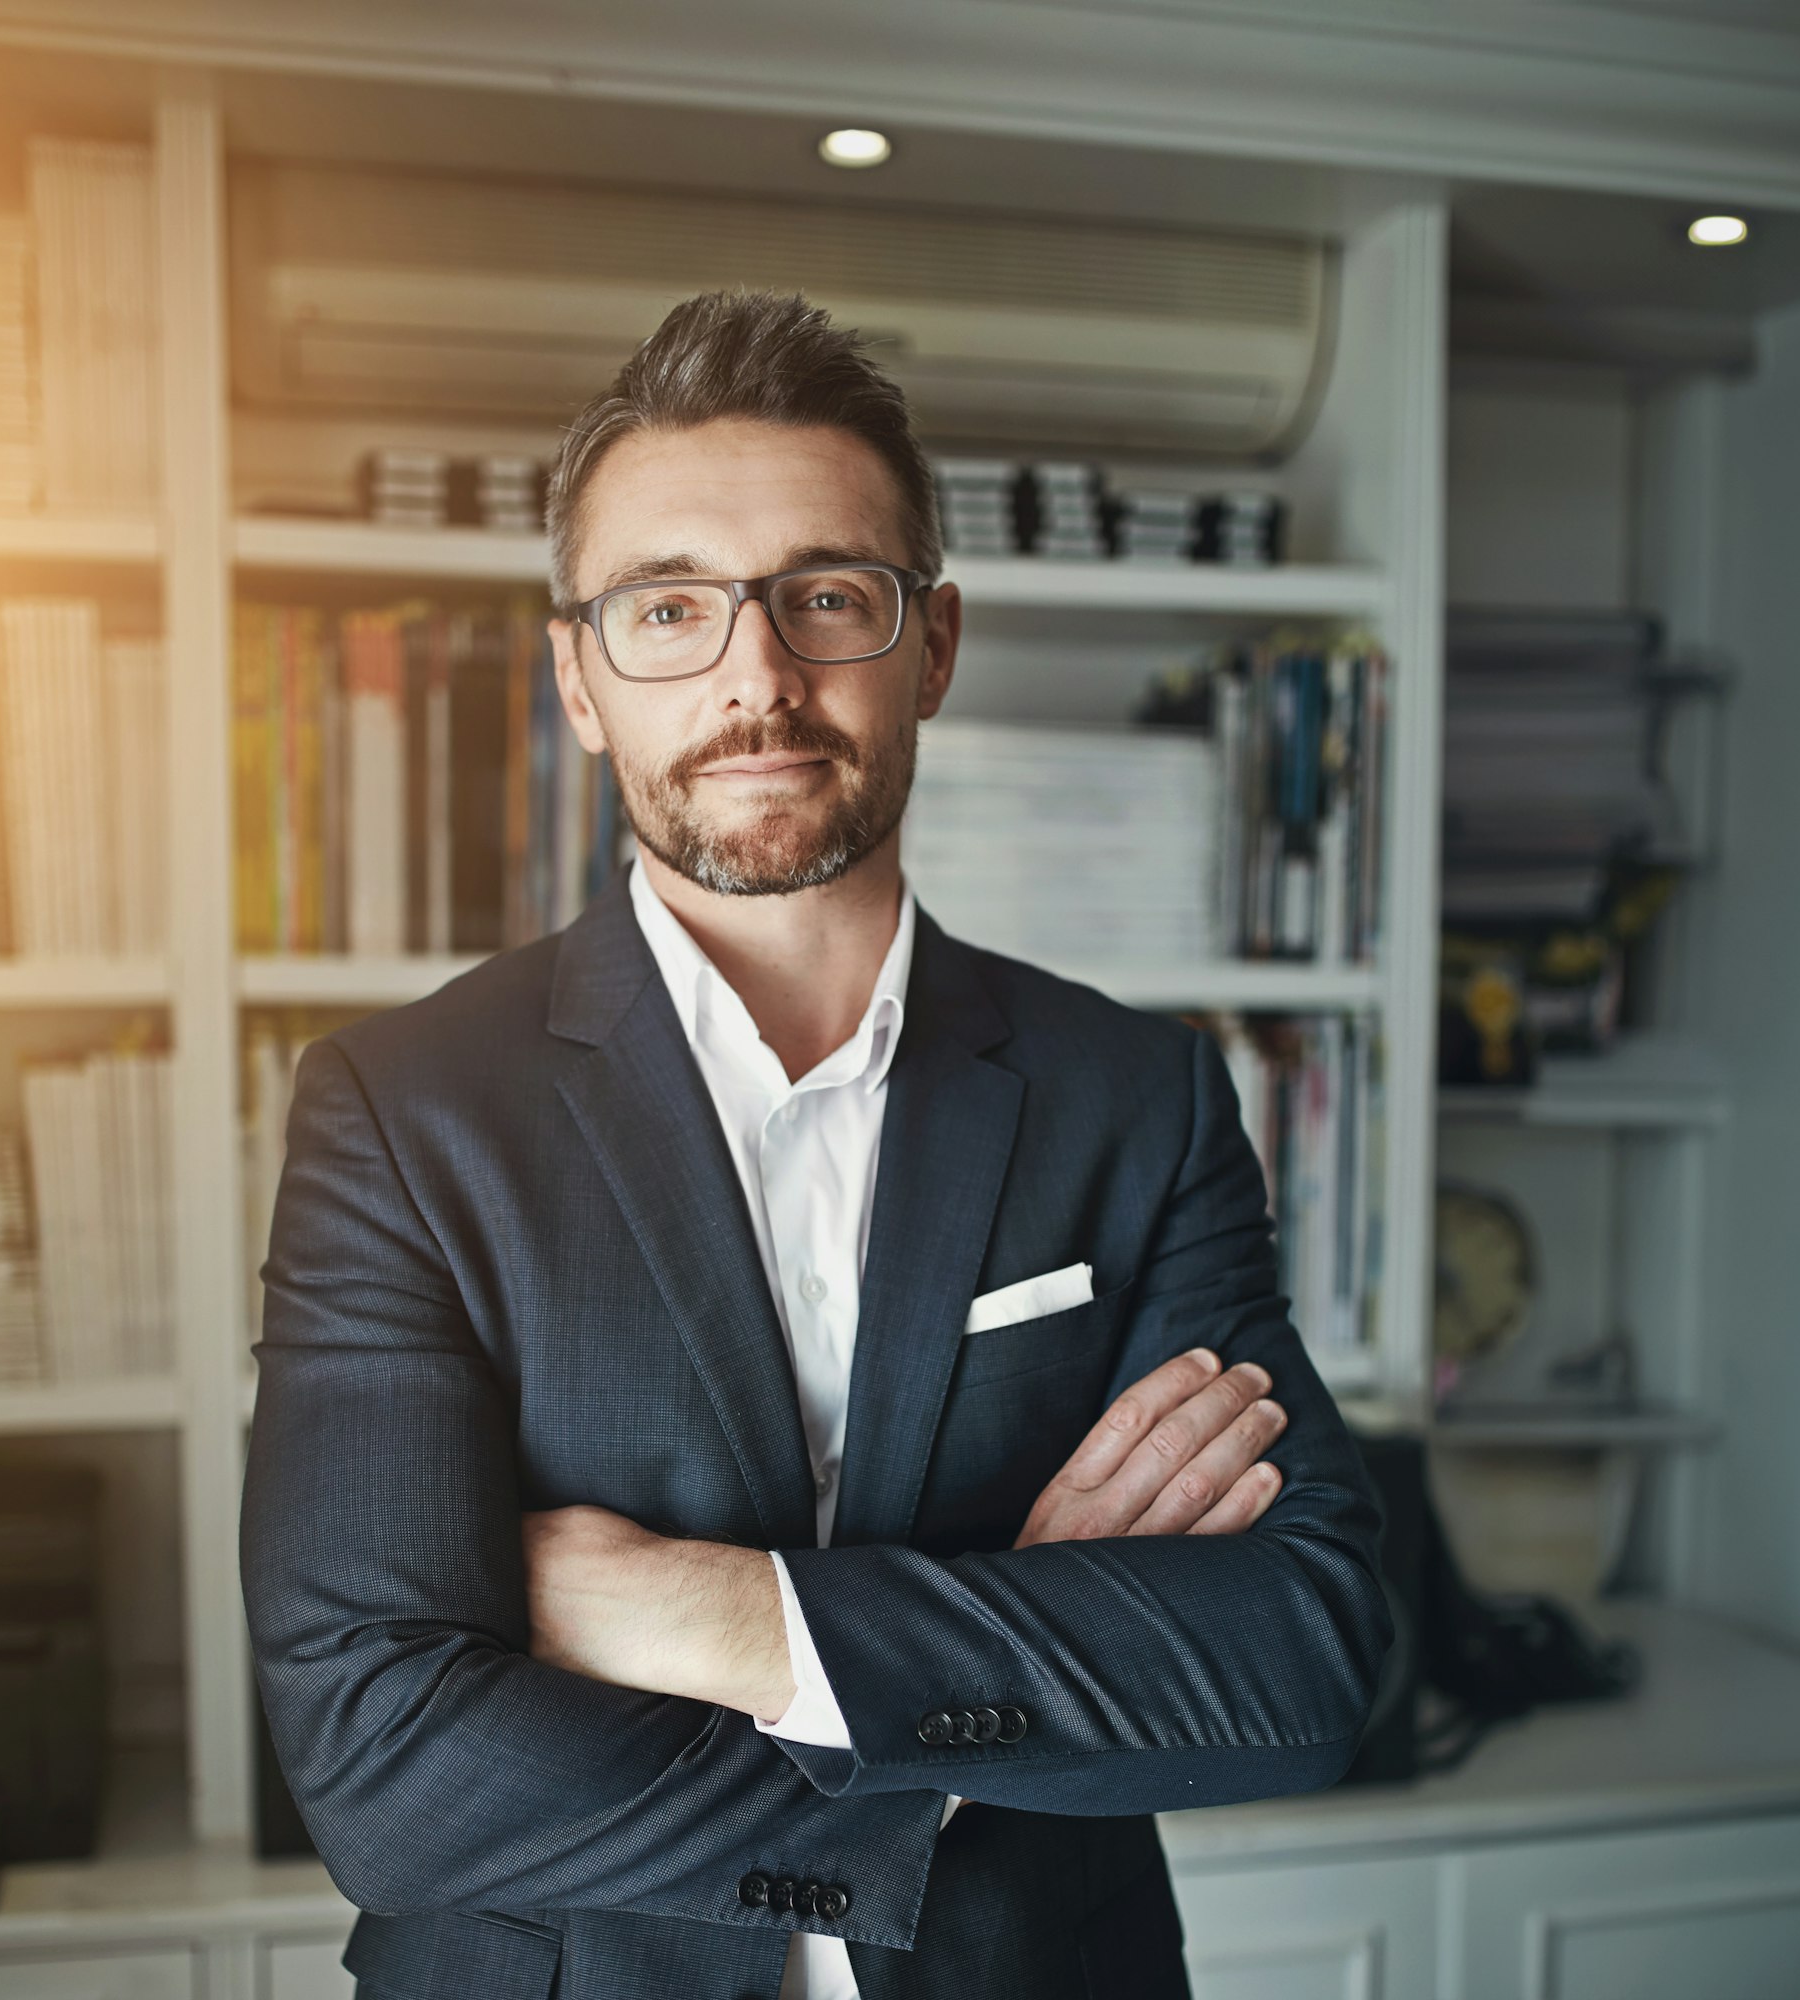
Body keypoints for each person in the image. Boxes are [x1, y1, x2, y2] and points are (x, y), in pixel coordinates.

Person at [240, 288, 1391, 2000]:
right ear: (579, 676)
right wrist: (976, 1689)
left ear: (930, 644)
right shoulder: (400, 1117)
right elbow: (386, 1766)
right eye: (670, 610)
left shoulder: (1134, 1096)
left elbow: (1306, 1653)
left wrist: (715, 1617)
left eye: (827, 599)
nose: (756, 677)